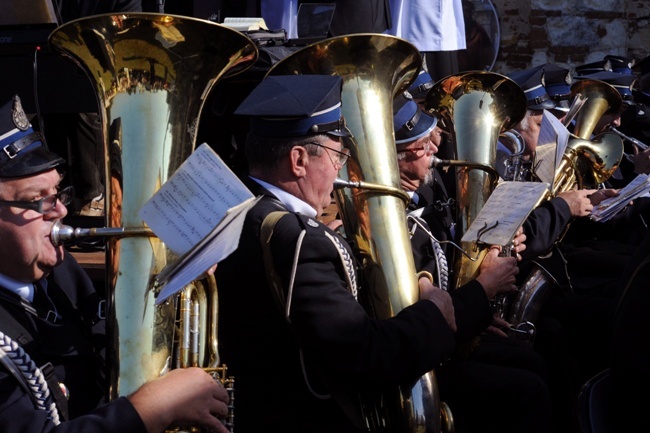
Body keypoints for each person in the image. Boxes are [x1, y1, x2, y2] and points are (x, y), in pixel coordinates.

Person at [215, 74, 457, 433]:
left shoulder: (231, 208)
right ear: (298, 160)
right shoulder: (297, 238)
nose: (342, 168)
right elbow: (366, 355)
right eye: (337, 155)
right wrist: (436, 314)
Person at [0, 94, 231, 433]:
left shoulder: (59, 273)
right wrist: (154, 407)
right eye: (38, 201)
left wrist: (170, 283)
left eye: (59, 193)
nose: (61, 211)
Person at [393, 92, 554, 433]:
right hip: (429, 360)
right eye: (422, 146)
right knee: (530, 389)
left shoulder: (426, 191)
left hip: (455, 334)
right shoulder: (395, 215)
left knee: (536, 364)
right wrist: (486, 288)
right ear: (397, 156)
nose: (436, 148)